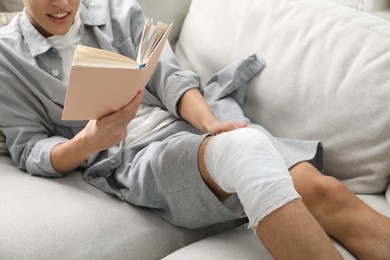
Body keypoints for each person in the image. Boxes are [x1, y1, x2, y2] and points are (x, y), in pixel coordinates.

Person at [0, 0, 389, 259]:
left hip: (192, 121)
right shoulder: (7, 57)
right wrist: (91, 140)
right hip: (137, 156)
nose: (62, 4)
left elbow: (171, 77)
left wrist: (211, 124)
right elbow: (31, 148)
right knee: (246, 150)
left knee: (325, 190)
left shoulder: (115, 8)